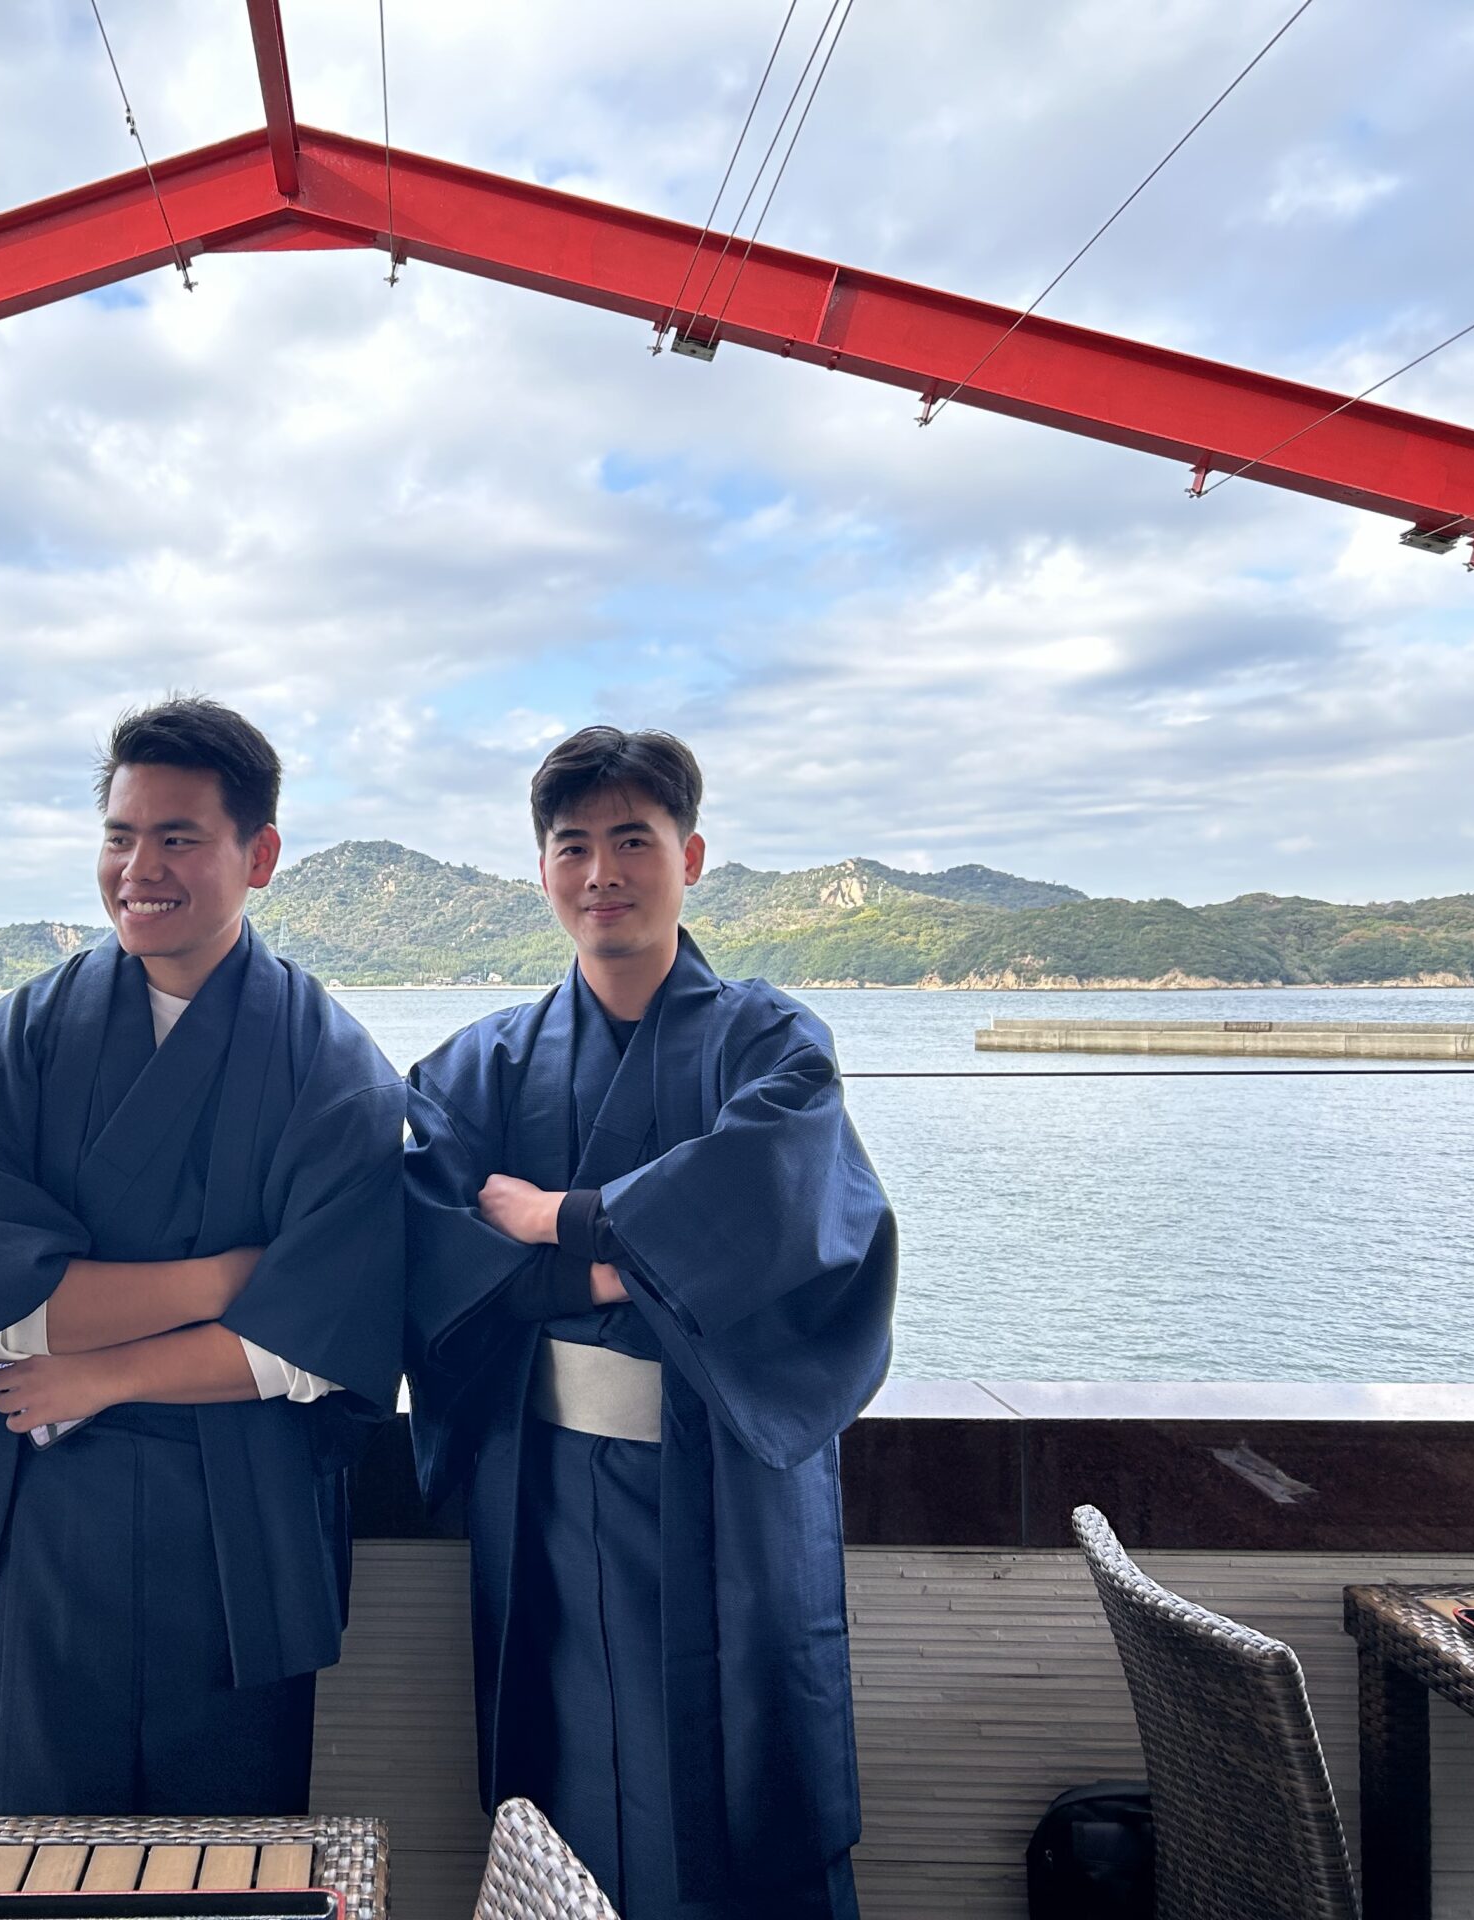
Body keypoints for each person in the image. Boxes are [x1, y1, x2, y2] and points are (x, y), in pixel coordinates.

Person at [403, 726, 896, 1920]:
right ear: (542, 871)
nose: (602, 873)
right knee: (566, 1790)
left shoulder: (771, 1044)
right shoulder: (479, 1066)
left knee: (746, 1792)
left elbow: (783, 1207)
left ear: (692, 857)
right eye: (573, 846)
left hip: (726, 1482)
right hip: (547, 1490)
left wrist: (560, 1221)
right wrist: (631, 1268)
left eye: (634, 840)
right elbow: (432, 1250)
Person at [0, 695, 404, 1816]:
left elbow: (315, 1345)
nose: (139, 869)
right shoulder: (17, 1043)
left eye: (178, 837)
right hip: (33, 1521)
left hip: (235, 1534)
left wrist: (99, 1372)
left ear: (258, 855)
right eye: (120, 836)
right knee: (20, 1859)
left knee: (225, 1866)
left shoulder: (331, 1067)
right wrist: (222, 1283)